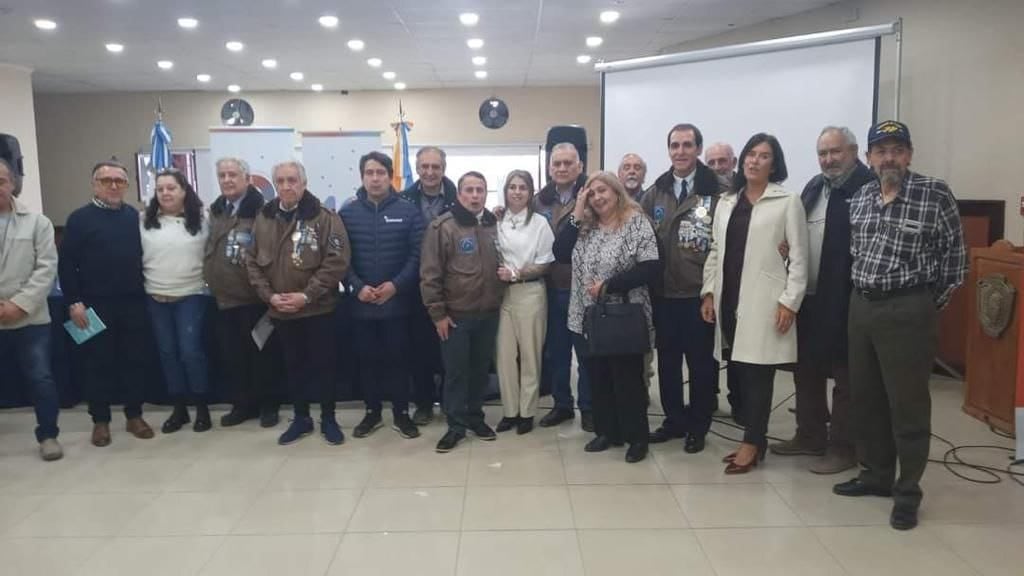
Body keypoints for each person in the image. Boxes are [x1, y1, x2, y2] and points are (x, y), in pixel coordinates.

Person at [834, 120, 966, 531]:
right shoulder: (860, 197)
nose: (888, 157)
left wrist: (925, 305)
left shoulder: (934, 194)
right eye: (881, 150)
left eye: (896, 149)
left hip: (908, 309)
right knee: (866, 399)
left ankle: (907, 492)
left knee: (907, 405)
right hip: (862, 307)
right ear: (869, 157)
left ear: (908, 154)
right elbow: (857, 254)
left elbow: (955, 261)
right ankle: (875, 475)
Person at [769, 127, 875, 475]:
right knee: (807, 369)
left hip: (847, 297)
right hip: (811, 296)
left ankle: (844, 447)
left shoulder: (867, 187)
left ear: (854, 151)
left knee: (846, 376)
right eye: (823, 153)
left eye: (835, 152)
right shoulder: (815, 185)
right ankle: (810, 434)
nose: (829, 160)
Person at [701, 133, 808, 474]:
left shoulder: (787, 201)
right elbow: (716, 250)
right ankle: (756, 440)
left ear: (774, 164)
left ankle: (751, 442)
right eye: (750, 154)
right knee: (741, 368)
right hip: (729, 296)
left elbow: (801, 258)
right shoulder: (727, 201)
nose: (754, 160)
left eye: (763, 156)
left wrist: (790, 302)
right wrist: (708, 292)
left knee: (759, 373)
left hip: (766, 300)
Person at [553, 171, 659, 463]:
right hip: (585, 315)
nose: (598, 197)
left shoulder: (636, 222)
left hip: (623, 314)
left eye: (603, 191)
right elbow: (560, 252)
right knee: (597, 377)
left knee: (628, 379)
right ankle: (607, 432)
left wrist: (610, 286)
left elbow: (650, 267)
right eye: (592, 193)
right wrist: (577, 210)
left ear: (616, 192)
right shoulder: (584, 226)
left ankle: (636, 437)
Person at [246, 160, 350, 446]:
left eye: (292, 180)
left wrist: (307, 295)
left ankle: (328, 418)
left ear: (303, 183)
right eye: (280, 181)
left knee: (325, 366)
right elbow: (251, 261)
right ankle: (301, 418)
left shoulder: (324, 218)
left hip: (318, 308)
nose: (286, 186)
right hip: (280, 309)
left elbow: (336, 261)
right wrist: (270, 296)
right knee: (294, 367)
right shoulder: (263, 218)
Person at [640, 123, 729, 453]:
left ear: (698, 149)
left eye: (687, 145)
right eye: (674, 146)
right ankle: (674, 420)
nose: (680, 151)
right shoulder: (656, 191)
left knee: (701, 365)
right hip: (663, 294)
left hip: (698, 295)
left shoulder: (716, 190)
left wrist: (712, 292)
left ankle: (699, 425)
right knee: (667, 363)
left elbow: (723, 245)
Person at [59, 161, 155, 447]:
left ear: (126, 185)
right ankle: (100, 421)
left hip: (133, 303)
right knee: (96, 364)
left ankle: (134, 415)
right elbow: (66, 264)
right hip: (91, 306)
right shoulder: (78, 219)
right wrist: (73, 302)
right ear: (94, 184)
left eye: (119, 181)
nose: (113, 186)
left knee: (134, 361)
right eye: (106, 180)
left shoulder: (134, 218)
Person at [340, 151, 424, 440]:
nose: (375, 178)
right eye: (369, 173)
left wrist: (395, 286)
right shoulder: (347, 213)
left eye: (380, 173)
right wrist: (356, 286)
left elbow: (417, 255)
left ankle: (401, 413)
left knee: (399, 360)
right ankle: (372, 412)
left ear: (390, 177)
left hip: (398, 303)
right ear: (362, 177)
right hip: (361, 303)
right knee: (367, 360)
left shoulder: (408, 211)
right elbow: (340, 258)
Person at [420, 171, 503, 453]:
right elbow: (430, 275)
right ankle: (455, 425)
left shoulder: (494, 224)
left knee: (480, 372)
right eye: (469, 190)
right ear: (459, 194)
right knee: (455, 374)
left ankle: (475, 417)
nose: (475, 195)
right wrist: (438, 314)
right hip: (455, 316)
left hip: (489, 313)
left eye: (480, 190)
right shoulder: (442, 227)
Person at [205, 157, 281, 428]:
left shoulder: (262, 210)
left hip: (255, 298)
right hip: (224, 299)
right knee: (234, 357)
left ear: (247, 179)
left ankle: (269, 405)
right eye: (222, 175)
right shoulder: (216, 210)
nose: (227, 180)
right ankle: (243, 405)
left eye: (233, 175)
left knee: (263, 355)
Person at [0, 158, 62, 460]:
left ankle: (48, 435)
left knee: (41, 378)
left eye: (1, 181)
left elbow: (46, 268)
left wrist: (19, 304)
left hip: (31, 318)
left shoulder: (37, 222)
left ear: (13, 184)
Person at [141, 169, 211, 433]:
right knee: (168, 354)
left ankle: (201, 408)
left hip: (191, 296)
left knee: (190, 352)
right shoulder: (143, 221)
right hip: (156, 297)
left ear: (184, 191)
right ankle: (179, 409)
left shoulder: (203, 221)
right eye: (160, 189)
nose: (165, 193)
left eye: (171, 188)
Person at [534, 142, 592, 432]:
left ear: (580, 166)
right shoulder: (539, 201)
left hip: (583, 288)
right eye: (557, 163)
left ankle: (589, 408)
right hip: (549, 286)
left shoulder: (592, 195)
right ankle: (562, 405)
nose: (562, 168)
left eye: (568, 163)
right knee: (557, 351)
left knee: (585, 352)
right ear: (549, 168)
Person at [495, 170, 555, 435]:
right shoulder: (495, 220)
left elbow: (545, 264)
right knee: (505, 356)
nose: (517, 192)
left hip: (530, 293)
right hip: (500, 296)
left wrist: (517, 273)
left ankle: (527, 412)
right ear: (505, 191)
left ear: (531, 193)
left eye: (522, 188)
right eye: (512, 187)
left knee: (530, 356)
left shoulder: (540, 223)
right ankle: (510, 411)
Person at [401, 146, 456, 425]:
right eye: (425, 166)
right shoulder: (402, 200)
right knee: (419, 350)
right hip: (413, 287)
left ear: (443, 169)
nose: (430, 172)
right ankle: (423, 403)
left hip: (452, 287)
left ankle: (449, 401)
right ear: (417, 168)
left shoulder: (459, 199)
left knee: (449, 349)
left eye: (436, 167)